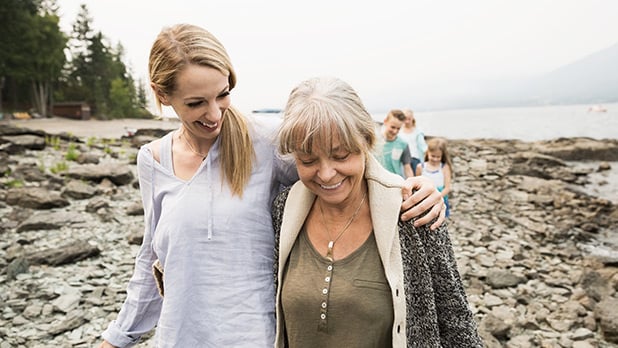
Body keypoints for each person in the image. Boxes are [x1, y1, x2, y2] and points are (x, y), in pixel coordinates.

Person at [98, 24, 446, 347]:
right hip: (180, 337)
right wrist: (117, 337)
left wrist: (411, 187)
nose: (215, 114)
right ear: (162, 95)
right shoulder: (153, 160)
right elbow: (151, 258)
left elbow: (338, 161)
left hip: (257, 338)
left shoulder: (265, 141)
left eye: (223, 94)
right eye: (195, 103)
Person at [272, 77, 482, 347]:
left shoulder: (413, 211)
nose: (325, 174)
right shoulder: (284, 210)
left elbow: (457, 325)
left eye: (341, 155)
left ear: (367, 141)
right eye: (308, 159)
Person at [416, 137, 453, 218]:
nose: (435, 159)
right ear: (427, 153)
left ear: (442, 155)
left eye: (438, 157)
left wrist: (437, 197)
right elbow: (417, 186)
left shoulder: (444, 167)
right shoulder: (420, 167)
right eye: (433, 156)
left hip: (440, 198)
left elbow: (447, 188)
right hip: (424, 199)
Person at [376, 109, 414, 178]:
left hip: (394, 181)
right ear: (385, 122)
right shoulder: (374, 140)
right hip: (377, 179)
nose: (395, 131)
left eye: (398, 128)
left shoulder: (403, 144)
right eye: (392, 127)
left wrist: (412, 183)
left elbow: (407, 168)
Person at [399, 108, 428, 173]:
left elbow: (423, 146)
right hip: (403, 160)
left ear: (412, 118)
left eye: (409, 119)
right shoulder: (399, 131)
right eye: (405, 119)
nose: (407, 121)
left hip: (415, 159)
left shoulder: (418, 131)